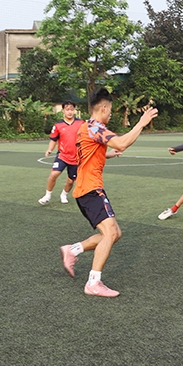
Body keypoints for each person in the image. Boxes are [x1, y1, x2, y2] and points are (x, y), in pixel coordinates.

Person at [59, 88, 158, 298]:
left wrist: (109, 155)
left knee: (114, 234)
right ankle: (93, 283)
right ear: (103, 108)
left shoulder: (85, 127)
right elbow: (122, 142)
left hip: (86, 189)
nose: (110, 113)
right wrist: (141, 122)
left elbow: (89, 154)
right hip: (90, 190)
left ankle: (73, 250)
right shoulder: (96, 127)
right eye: (110, 110)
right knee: (110, 233)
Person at [39, 102, 84, 205]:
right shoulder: (58, 125)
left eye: (72, 109)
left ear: (74, 111)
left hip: (76, 157)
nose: (70, 112)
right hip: (62, 155)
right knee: (54, 174)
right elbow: (53, 139)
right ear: (63, 111)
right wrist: (49, 149)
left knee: (70, 181)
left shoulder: (81, 123)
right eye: (67, 109)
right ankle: (47, 195)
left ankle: (64, 194)